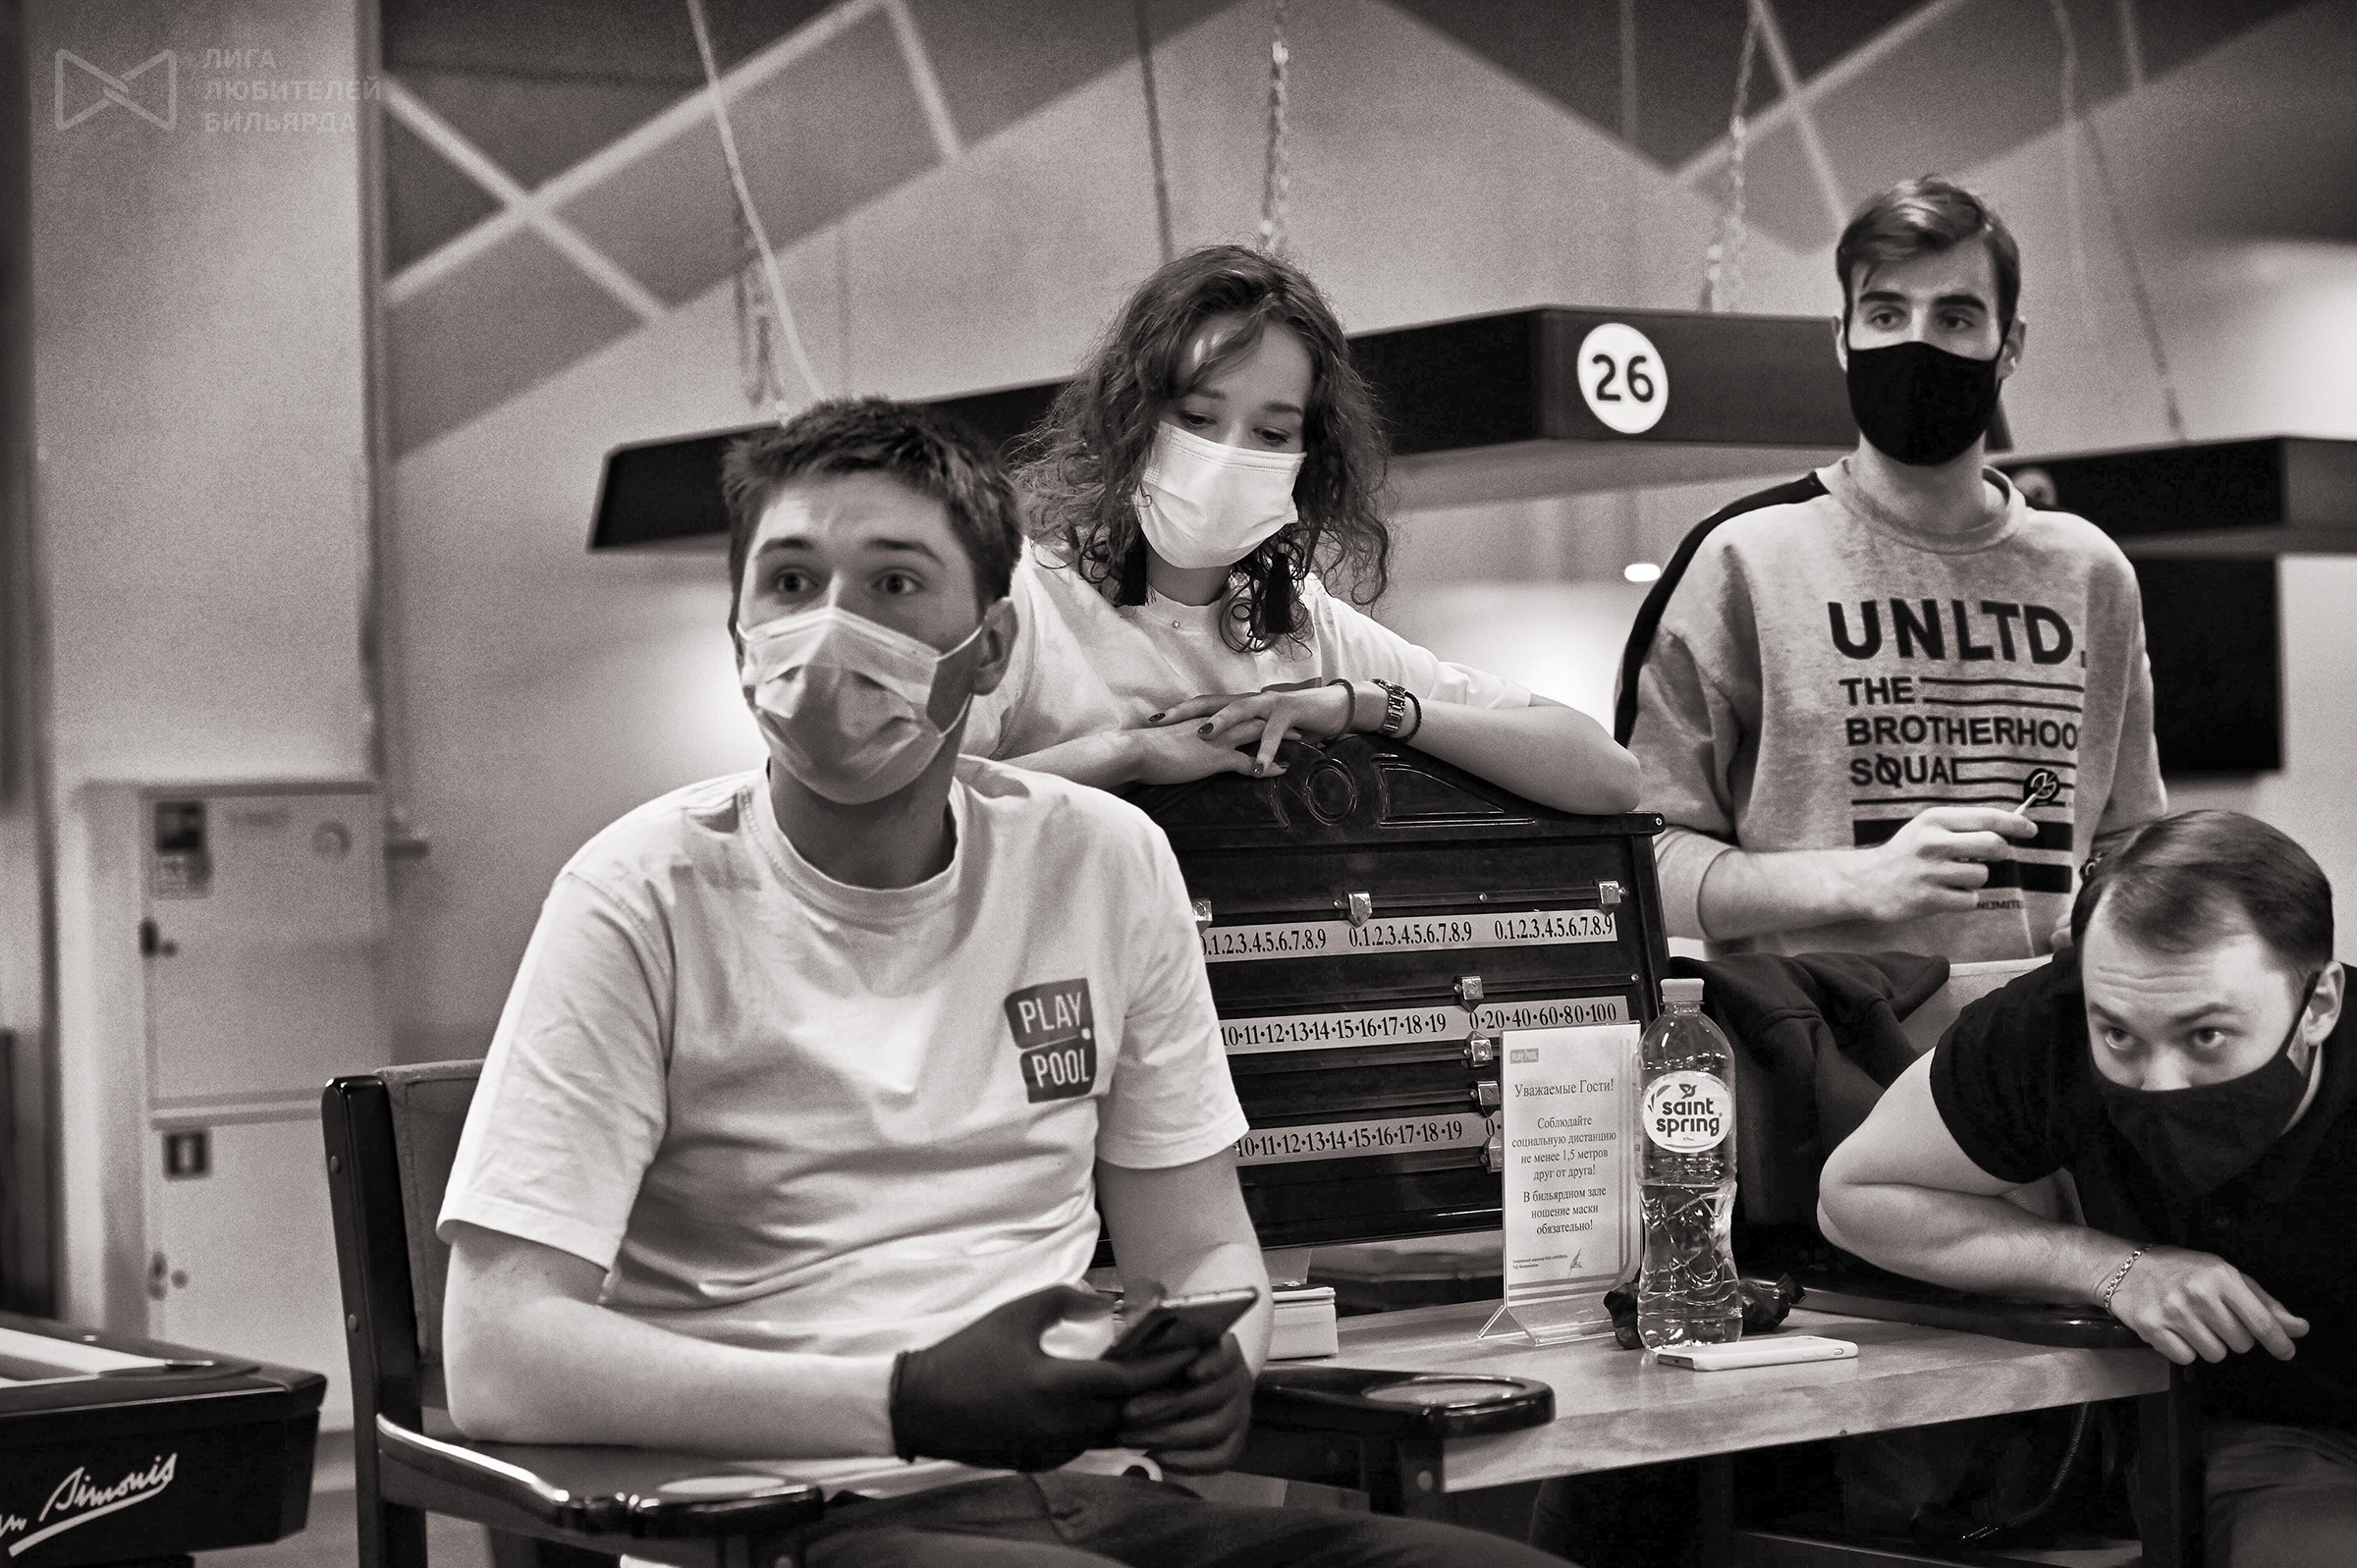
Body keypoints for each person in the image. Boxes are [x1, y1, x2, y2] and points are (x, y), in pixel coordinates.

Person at [435, 398, 1559, 1567]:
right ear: (737, 633)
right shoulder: (640, 892)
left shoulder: (1100, 859)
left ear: (991, 647)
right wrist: (904, 1399)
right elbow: (499, 1355)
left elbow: (1196, 1249)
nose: (832, 628)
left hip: (1082, 1500)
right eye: (791, 582)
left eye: (894, 583)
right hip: (781, 1519)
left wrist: (1215, 1360)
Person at [1615, 176, 2165, 959]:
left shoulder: (2091, 574)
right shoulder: (1741, 560)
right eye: (1886, 315)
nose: (1917, 343)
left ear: (2010, 345)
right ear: (1843, 338)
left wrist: (2108, 907)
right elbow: (1636, 859)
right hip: (1815, 1030)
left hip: (2039, 1028)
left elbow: (2130, 838)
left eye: (1955, 317)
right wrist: (1859, 880)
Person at [1820, 810, 2355, 1566]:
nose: (2158, 1081)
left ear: (2320, 1004)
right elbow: (1855, 1196)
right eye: (2120, 1035)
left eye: (2206, 1034)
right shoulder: (2052, 1027)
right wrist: (2118, 1268)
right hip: (2276, 1442)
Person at [965, 244, 1640, 815]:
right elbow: (917, 808)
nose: (1227, 455)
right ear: (1130, 418)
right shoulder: (1024, 601)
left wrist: (1364, 705)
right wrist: (1130, 753)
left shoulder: (1298, 621)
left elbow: (1607, 775)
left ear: (1308, 458)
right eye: (1197, 418)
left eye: (1270, 433)